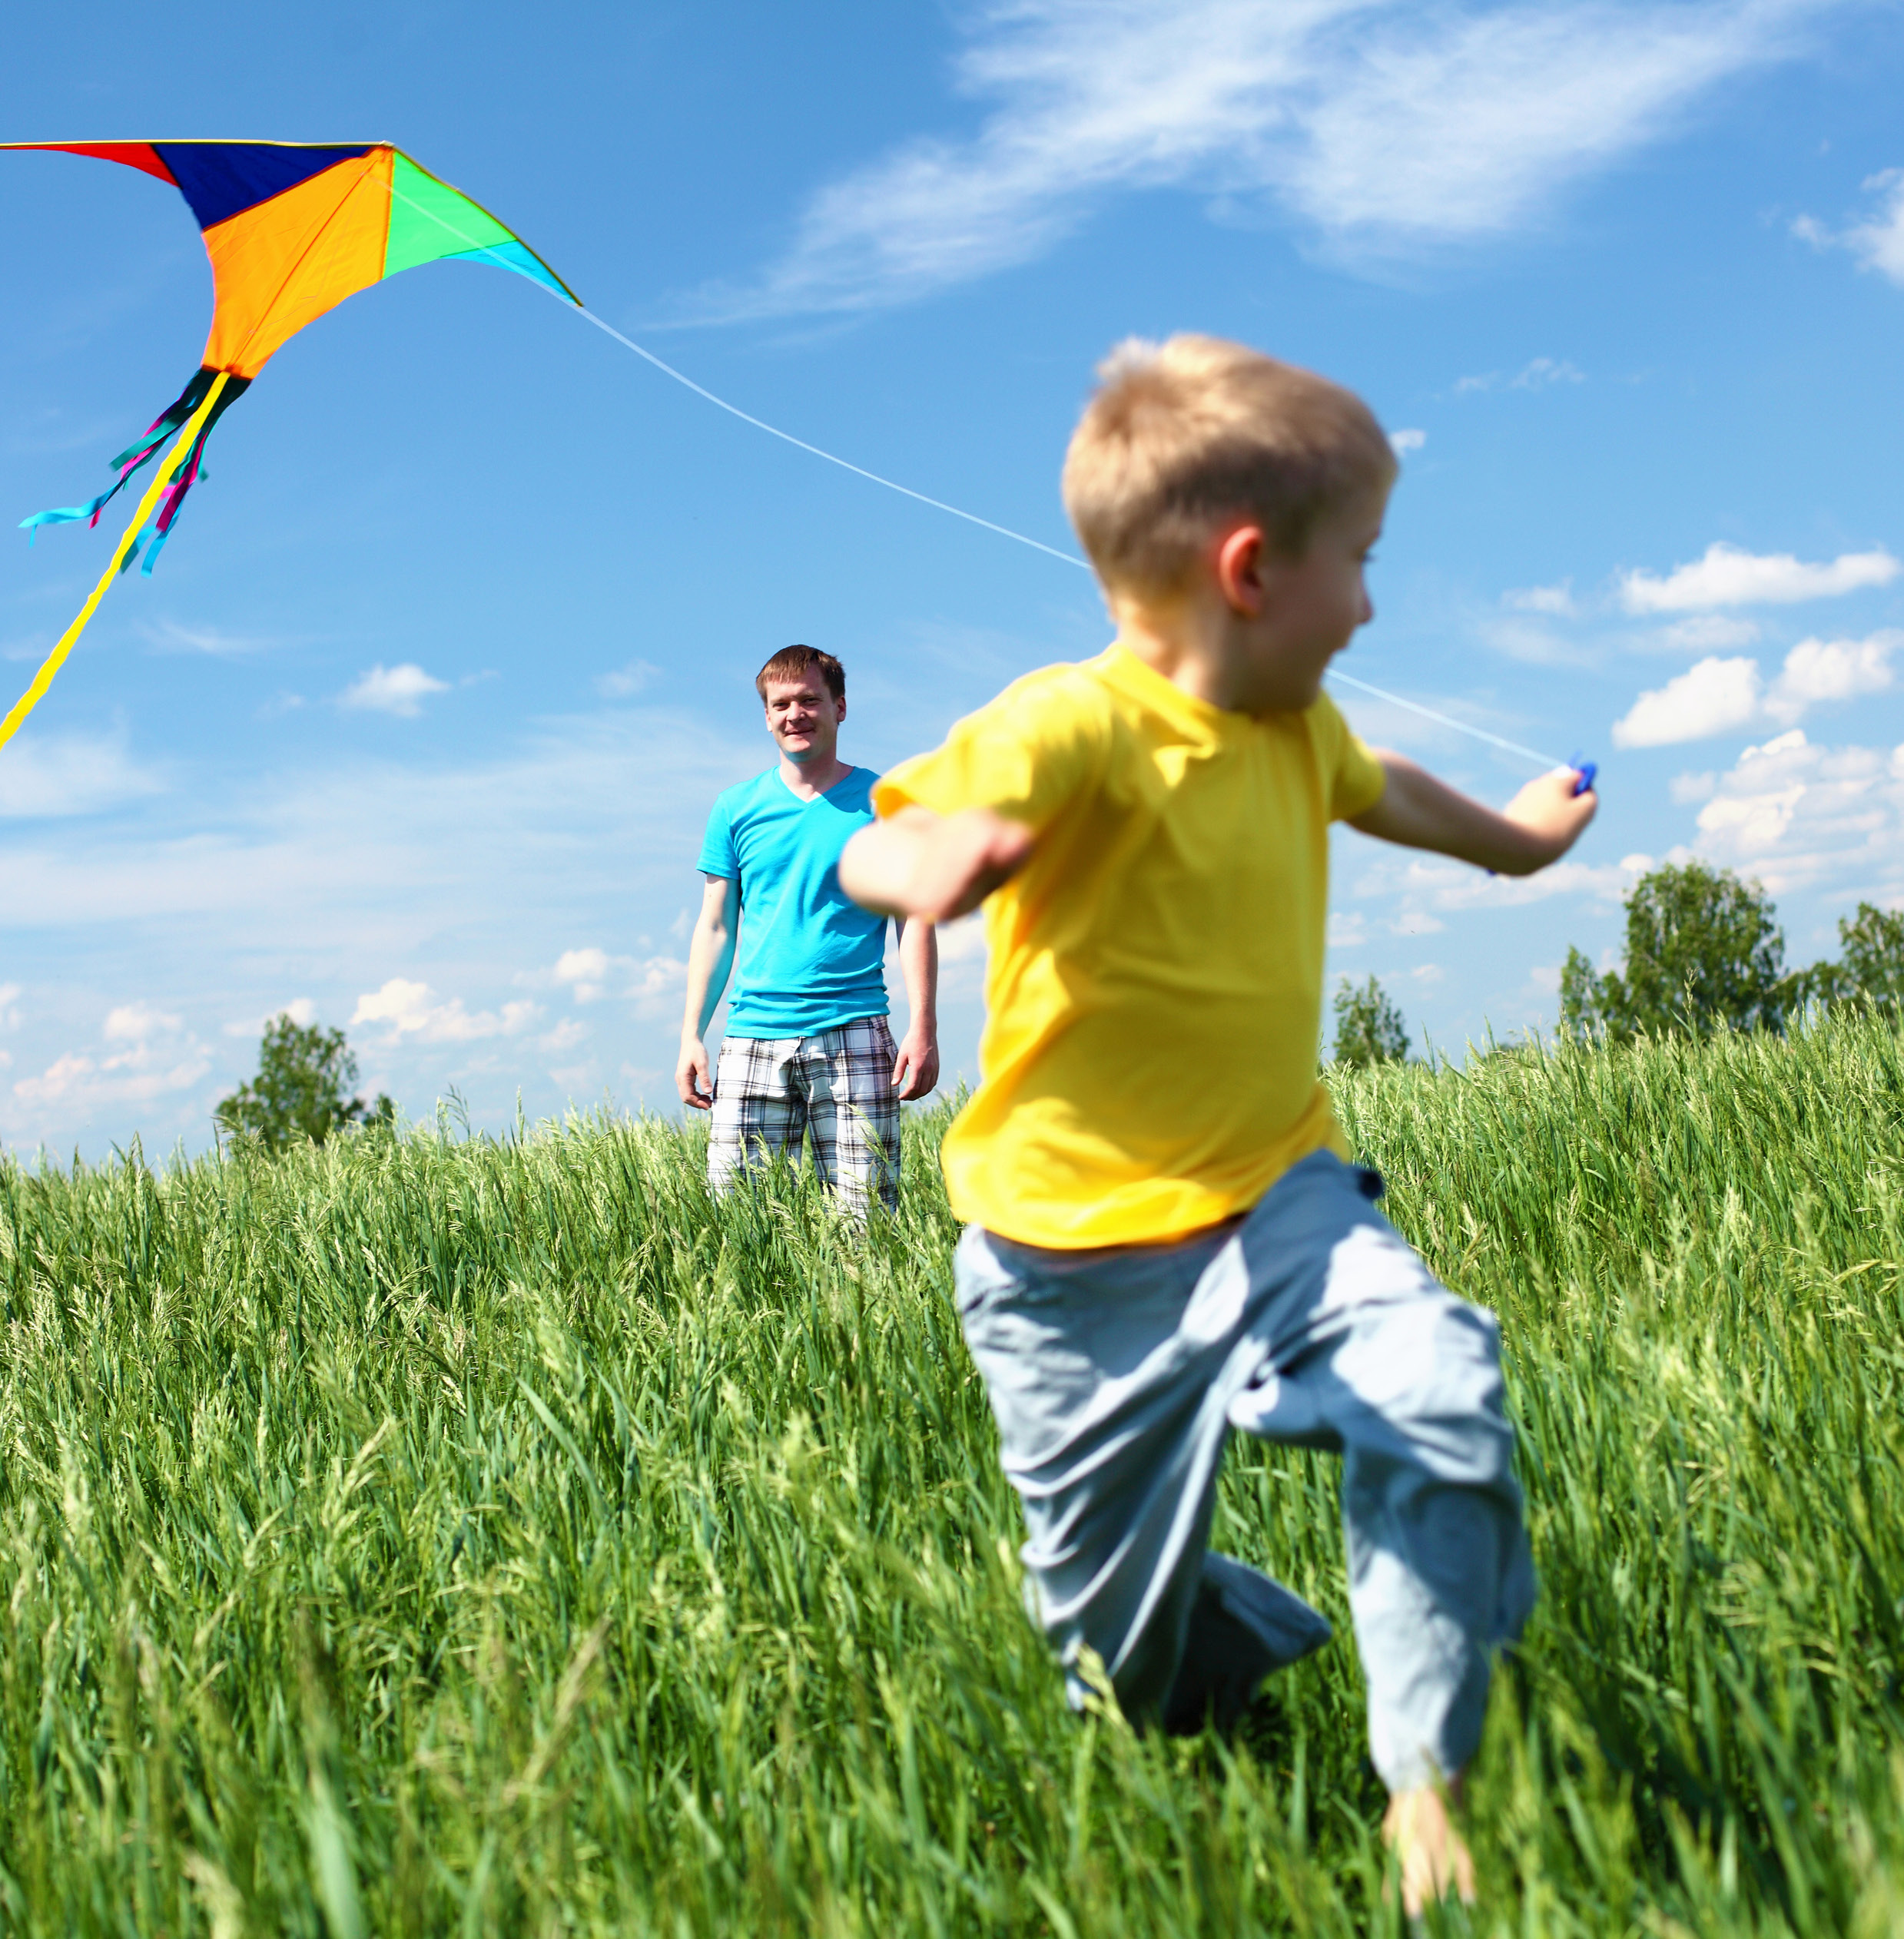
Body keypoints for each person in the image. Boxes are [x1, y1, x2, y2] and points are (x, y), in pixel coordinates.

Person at [839, 336, 1596, 1913]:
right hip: (1067, 1269)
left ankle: (1426, 1787)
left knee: (1442, 1391)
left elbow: (1389, 783)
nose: (1375, 606)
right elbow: (887, 845)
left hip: (1279, 1203)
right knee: (1122, 1665)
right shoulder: (1073, 724)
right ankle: (1242, 1646)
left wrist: (1521, 844)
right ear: (1251, 571)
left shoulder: (1296, 730)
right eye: (1363, 564)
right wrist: (939, 864)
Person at [678, 645, 939, 1217]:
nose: (795, 714)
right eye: (781, 704)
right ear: (767, 716)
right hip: (750, 1039)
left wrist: (924, 1026)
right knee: (739, 1230)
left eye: (809, 700)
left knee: (865, 1227)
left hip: (854, 1031)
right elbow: (716, 927)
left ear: (840, 708)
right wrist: (692, 1034)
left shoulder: (886, 804)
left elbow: (914, 918)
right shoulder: (734, 808)